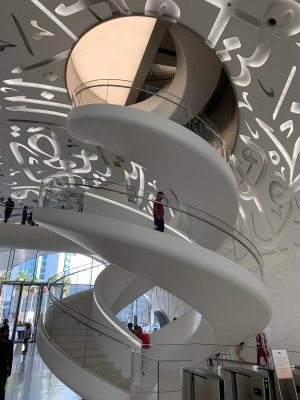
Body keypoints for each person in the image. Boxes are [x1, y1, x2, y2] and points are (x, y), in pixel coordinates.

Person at [0, 325, 13, 400]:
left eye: (8, 332)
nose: (8, 333)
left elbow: (11, 357)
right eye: (6, 332)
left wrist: (10, 369)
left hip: (4, 368)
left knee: (2, 387)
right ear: (1, 333)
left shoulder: (10, 343)